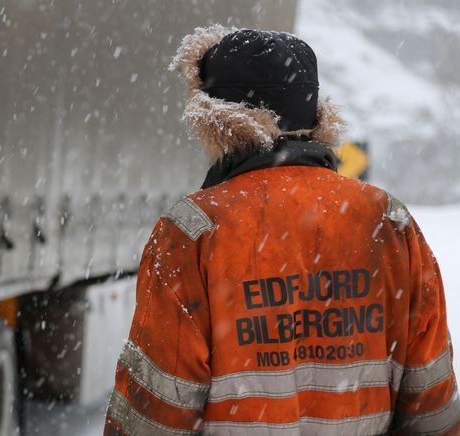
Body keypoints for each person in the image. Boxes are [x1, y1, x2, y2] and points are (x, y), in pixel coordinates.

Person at [104, 25, 459, 435]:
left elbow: (153, 418)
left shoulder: (194, 231)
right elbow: (434, 410)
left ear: (216, 120)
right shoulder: (388, 223)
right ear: (315, 115)